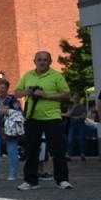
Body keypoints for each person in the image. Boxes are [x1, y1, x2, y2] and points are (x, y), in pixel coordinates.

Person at [14, 51, 72, 191]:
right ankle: (30, 181)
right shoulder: (28, 75)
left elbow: (66, 94)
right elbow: (17, 92)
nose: (42, 62)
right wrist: (27, 92)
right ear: (34, 61)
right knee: (31, 149)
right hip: (32, 117)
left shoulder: (57, 76)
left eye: (45, 60)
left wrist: (45, 95)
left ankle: (62, 180)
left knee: (57, 149)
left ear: (50, 62)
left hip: (52, 117)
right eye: (39, 59)